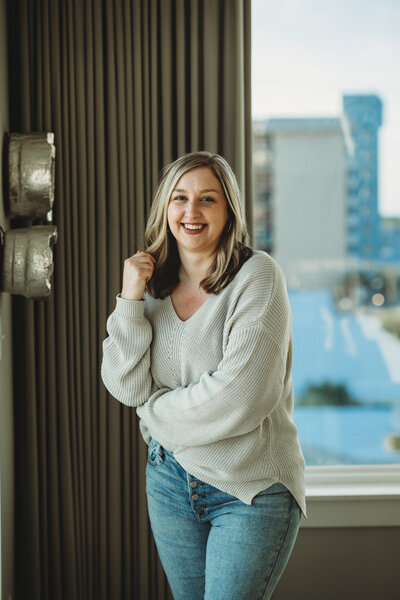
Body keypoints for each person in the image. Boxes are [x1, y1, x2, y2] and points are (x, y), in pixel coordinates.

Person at [101, 151, 306, 600]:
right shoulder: (152, 286)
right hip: (170, 482)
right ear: (165, 208)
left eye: (207, 200)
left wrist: (152, 412)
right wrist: (129, 299)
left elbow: (239, 399)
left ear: (228, 210)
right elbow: (125, 384)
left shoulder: (257, 277)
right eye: (180, 198)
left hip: (249, 487)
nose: (191, 212)